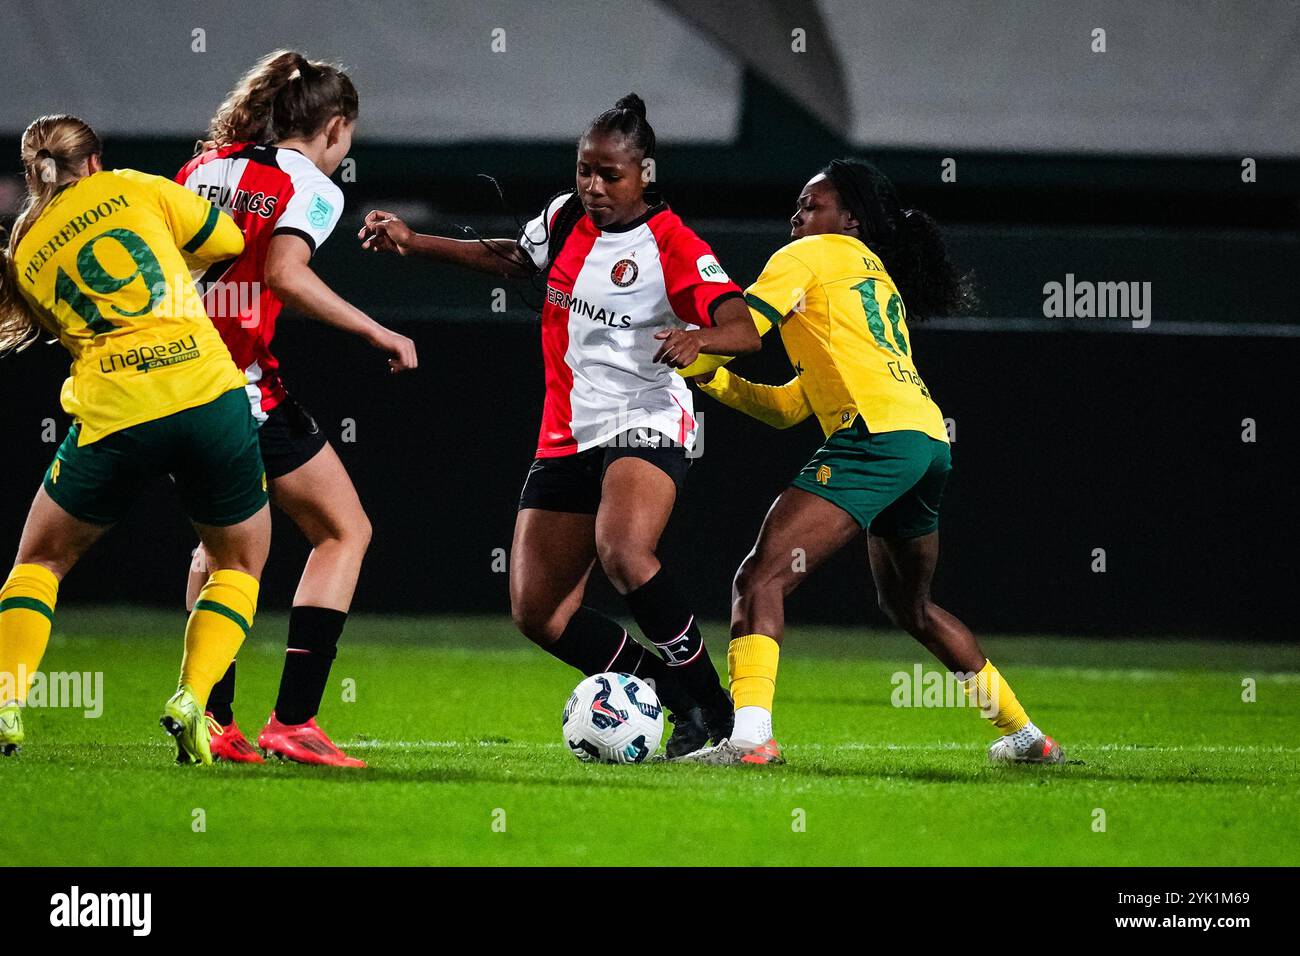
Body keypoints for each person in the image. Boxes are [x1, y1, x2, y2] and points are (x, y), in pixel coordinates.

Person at [358, 94, 759, 755]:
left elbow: (744, 328)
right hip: (570, 427)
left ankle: (720, 715)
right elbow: (517, 259)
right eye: (584, 171)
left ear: (645, 174)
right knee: (539, 613)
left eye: (610, 175)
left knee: (623, 550)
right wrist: (414, 240)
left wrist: (698, 336)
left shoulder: (674, 245)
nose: (594, 187)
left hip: (647, 415)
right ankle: (673, 693)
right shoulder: (566, 215)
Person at [674, 159, 1064, 766]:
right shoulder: (874, 275)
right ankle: (1024, 736)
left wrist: (694, 343)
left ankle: (750, 740)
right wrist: (715, 380)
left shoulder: (803, 257)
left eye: (812, 205)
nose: (797, 216)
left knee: (760, 579)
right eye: (799, 206)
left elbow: (745, 328)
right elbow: (787, 408)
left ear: (848, 219)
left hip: (876, 438)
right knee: (912, 607)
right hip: (925, 441)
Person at [0, 114, 269, 765]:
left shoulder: (26, 252)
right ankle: (190, 700)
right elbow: (228, 238)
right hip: (207, 392)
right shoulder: (132, 186)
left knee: (38, 563)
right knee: (237, 564)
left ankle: (7, 703)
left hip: (118, 409)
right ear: (92, 161)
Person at [175, 50, 418, 767]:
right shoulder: (309, 183)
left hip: (174, 380)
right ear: (335, 128)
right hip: (241, 386)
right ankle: (294, 720)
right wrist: (377, 328)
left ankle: (211, 717)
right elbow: (285, 273)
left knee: (216, 550)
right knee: (343, 531)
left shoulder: (202, 168)